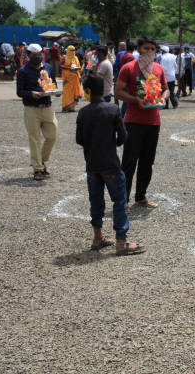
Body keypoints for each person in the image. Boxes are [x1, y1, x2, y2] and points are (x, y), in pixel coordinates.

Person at [76, 74, 145, 256]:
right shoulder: (113, 109)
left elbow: (79, 139)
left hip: (92, 165)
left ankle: (97, 238)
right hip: (111, 164)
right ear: (104, 90)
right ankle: (121, 242)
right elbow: (123, 136)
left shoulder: (83, 113)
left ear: (88, 91)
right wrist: (112, 143)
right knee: (119, 201)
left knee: (96, 201)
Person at [115, 37, 169, 211]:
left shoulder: (158, 68)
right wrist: (135, 99)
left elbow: (166, 88)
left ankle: (141, 196)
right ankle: (123, 200)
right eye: (146, 48)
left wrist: (163, 98)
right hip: (133, 121)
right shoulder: (129, 68)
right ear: (138, 49)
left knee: (147, 161)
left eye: (153, 48)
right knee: (129, 162)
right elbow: (118, 92)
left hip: (153, 121)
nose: (150, 51)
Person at [16, 43, 58, 181]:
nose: (37, 57)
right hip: (31, 109)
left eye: (39, 54)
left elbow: (53, 84)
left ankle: (41, 160)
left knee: (52, 136)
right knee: (34, 139)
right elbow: (19, 92)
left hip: (47, 106)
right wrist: (31, 93)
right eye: (34, 55)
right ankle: (38, 169)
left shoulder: (48, 68)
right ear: (28, 55)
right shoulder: (23, 71)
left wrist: (55, 92)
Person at [60, 45, 83, 112]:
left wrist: (78, 69)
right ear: (68, 50)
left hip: (75, 78)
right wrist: (68, 68)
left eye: (74, 50)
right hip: (67, 79)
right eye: (71, 50)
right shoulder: (64, 57)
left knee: (74, 92)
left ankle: (72, 108)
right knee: (67, 93)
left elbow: (79, 66)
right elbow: (60, 66)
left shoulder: (75, 58)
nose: (73, 52)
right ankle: (66, 107)